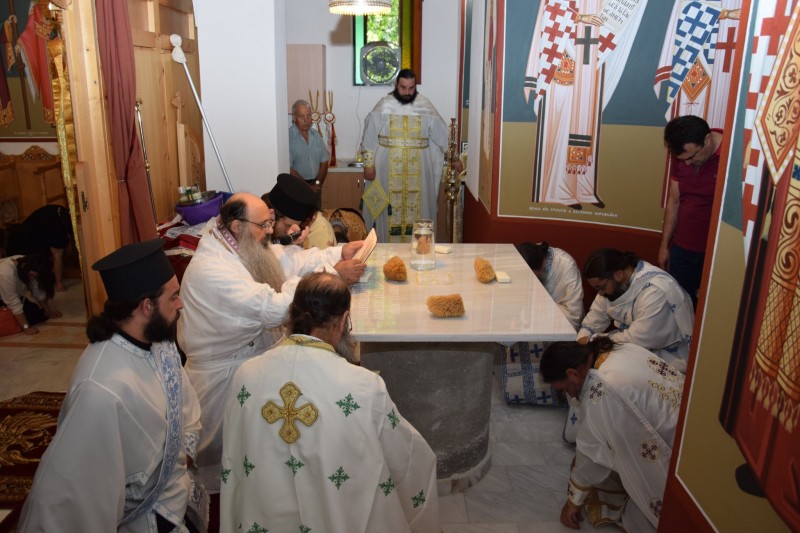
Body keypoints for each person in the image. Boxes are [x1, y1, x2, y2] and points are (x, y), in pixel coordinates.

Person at [221, 272, 439, 532]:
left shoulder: (246, 376)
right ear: (344, 320)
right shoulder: (363, 386)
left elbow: (234, 459)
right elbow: (407, 457)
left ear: (292, 314)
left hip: (265, 516)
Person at [177, 192, 364, 496]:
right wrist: (332, 275)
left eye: (270, 222)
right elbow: (275, 309)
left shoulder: (236, 243)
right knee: (226, 468)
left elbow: (287, 260)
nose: (270, 231)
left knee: (257, 460)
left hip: (251, 366)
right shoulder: (212, 270)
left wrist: (338, 253)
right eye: (263, 225)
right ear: (237, 225)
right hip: (222, 382)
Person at [19, 239, 207, 532]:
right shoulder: (99, 389)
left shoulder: (159, 341)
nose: (180, 303)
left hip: (175, 490)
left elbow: (185, 404)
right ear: (147, 306)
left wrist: (183, 454)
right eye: (173, 297)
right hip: (143, 517)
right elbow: (74, 492)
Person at [540, 338, 684, 531]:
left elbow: (591, 454)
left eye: (566, 388)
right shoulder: (617, 348)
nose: (571, 395)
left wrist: (573, 501)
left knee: (638, 518)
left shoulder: (602, 389)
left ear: (572, 374)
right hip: (689, 422)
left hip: (677, 456)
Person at [523, 0, 648, 209]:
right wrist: (581, 18)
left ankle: (583, 188)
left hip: (591, 63)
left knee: (586, 124)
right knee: (561, 124)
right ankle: (557, 189)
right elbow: (551, 10)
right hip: (563, 59)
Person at [361, 69, 461, 242]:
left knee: (420, 211)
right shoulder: (384, 106)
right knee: (386, 212)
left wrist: (454, 157)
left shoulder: (425, 106)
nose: (407, 92)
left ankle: (421, 249)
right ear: (396, 85)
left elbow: (441, 134)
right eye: (403, 88)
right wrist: (368, 164)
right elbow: (369, 135)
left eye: (411, 88)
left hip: (420, 173)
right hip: (387, 172)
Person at [578, 248, 694, 373]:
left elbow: (638, 339)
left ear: (618, 275)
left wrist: (593, 340)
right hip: (630, 345)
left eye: (601, 287)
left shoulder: (655, 291)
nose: (600, 293)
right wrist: (581, 342)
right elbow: (596, 316)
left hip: (666, 358)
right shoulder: (613, 284)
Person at [660, 115, 723, 308]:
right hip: (682, 249)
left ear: (707, 140)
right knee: (680, 306)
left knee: (708, 308)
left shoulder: (733, 154)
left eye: (691, 157)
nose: (686, 164)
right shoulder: (682, 153)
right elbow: (674, 201)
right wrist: (665, 245)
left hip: (715, 252)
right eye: (681, 160)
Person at [516, 241, 584, 329]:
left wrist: (538, 311)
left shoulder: (566, 264)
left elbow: (574, 316)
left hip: (560, 322)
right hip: (534, 317)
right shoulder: (531, 255)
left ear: (537, 270)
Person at [7, 204, 72, 291]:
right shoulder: (57, 230)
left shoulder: (61, 212)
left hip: (22, 237)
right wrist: (59, 283)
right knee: (53, 259)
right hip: (20, 250)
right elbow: (57, 257)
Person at [0, 253, 61, 335]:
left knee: (36, 314)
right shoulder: (5, 273)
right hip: (4, 297)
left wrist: (49, 312)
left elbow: (37, 290)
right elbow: (13, 302)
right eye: (31, 275)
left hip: (11, 295)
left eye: (35, 277)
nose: (32, 278)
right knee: (16, 321)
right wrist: (26, 327)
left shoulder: (29, 263)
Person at [289, 99, 329, 190]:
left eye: (308, 116)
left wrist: (317, 184)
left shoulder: (316, 135)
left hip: (316, 185)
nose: (306, 120)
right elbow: (288, 169)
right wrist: (308, 187)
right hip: (296, 187)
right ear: (294, 118)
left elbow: (324, 161)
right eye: (302, 116)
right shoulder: (288, 138)